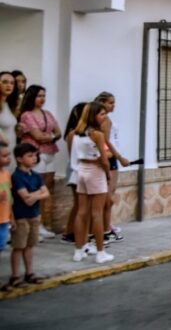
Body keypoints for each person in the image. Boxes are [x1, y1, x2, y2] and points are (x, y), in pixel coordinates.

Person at [70, 102, 114, 264]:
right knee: (97, 213)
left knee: (82, 212)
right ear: (93, 115)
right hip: (95, 172)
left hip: (82, 170)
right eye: (101, 114)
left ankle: (78, 250)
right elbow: (104, 158)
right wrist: (108, 173)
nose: (104, 117)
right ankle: (101, 252)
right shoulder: (97, 134)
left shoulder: (78, 133)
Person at [18, 85, 61, 239]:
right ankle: (33, 225)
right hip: (36, 153)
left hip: (50, 153)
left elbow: (58, 132)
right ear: (32, 97)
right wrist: (50, 136)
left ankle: (42, 224)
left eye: (44, 95)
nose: (42, 99)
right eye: (39, 96)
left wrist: (50, 136)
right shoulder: (27, 115)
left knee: (47, 188)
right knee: (35, 188)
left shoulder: (47, 113)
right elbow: (38, 136)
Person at [8, 143, 49, 288]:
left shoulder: (36, 176)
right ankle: (14, 276)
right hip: (21, 216)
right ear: (19, 159)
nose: (34, 158)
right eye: (29, 156)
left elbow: (46, 193)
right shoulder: (17, 176)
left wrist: (35, 195)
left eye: (35, 155)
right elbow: (26, 199)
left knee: (30, 245)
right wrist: (39, 194)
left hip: (34, 215)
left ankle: (29, 273)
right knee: (19, 246)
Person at [95, 92, 130, 243]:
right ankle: (105, 229)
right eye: (110, 103)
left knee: (109, 195)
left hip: (112, 157)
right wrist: (119, 156)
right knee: (108, 197)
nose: (113, 106)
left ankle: (106, 226)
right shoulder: (105, 121)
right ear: (102, 103)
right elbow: (107, 142)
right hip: (111, 158)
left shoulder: (106, 119)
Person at [60, 103, 87, 245]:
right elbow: (74, 156)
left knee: (80, 204)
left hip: (83, 170)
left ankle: (73, 231)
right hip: (75, 170)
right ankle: (69, 231)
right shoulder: (73, 134)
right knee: (78, 204)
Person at [0, 142, 13, 269]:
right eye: (4, 156)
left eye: (8, 155)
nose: (8, 158)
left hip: (4, 218)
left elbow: (9, 198)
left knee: (1, 245)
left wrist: (11, 217)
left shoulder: (6, 174)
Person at [0, 72, 18, 157]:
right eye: (5, 82)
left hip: (11, 150)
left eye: (12, 83)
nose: (9, 85)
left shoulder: (10, 105)